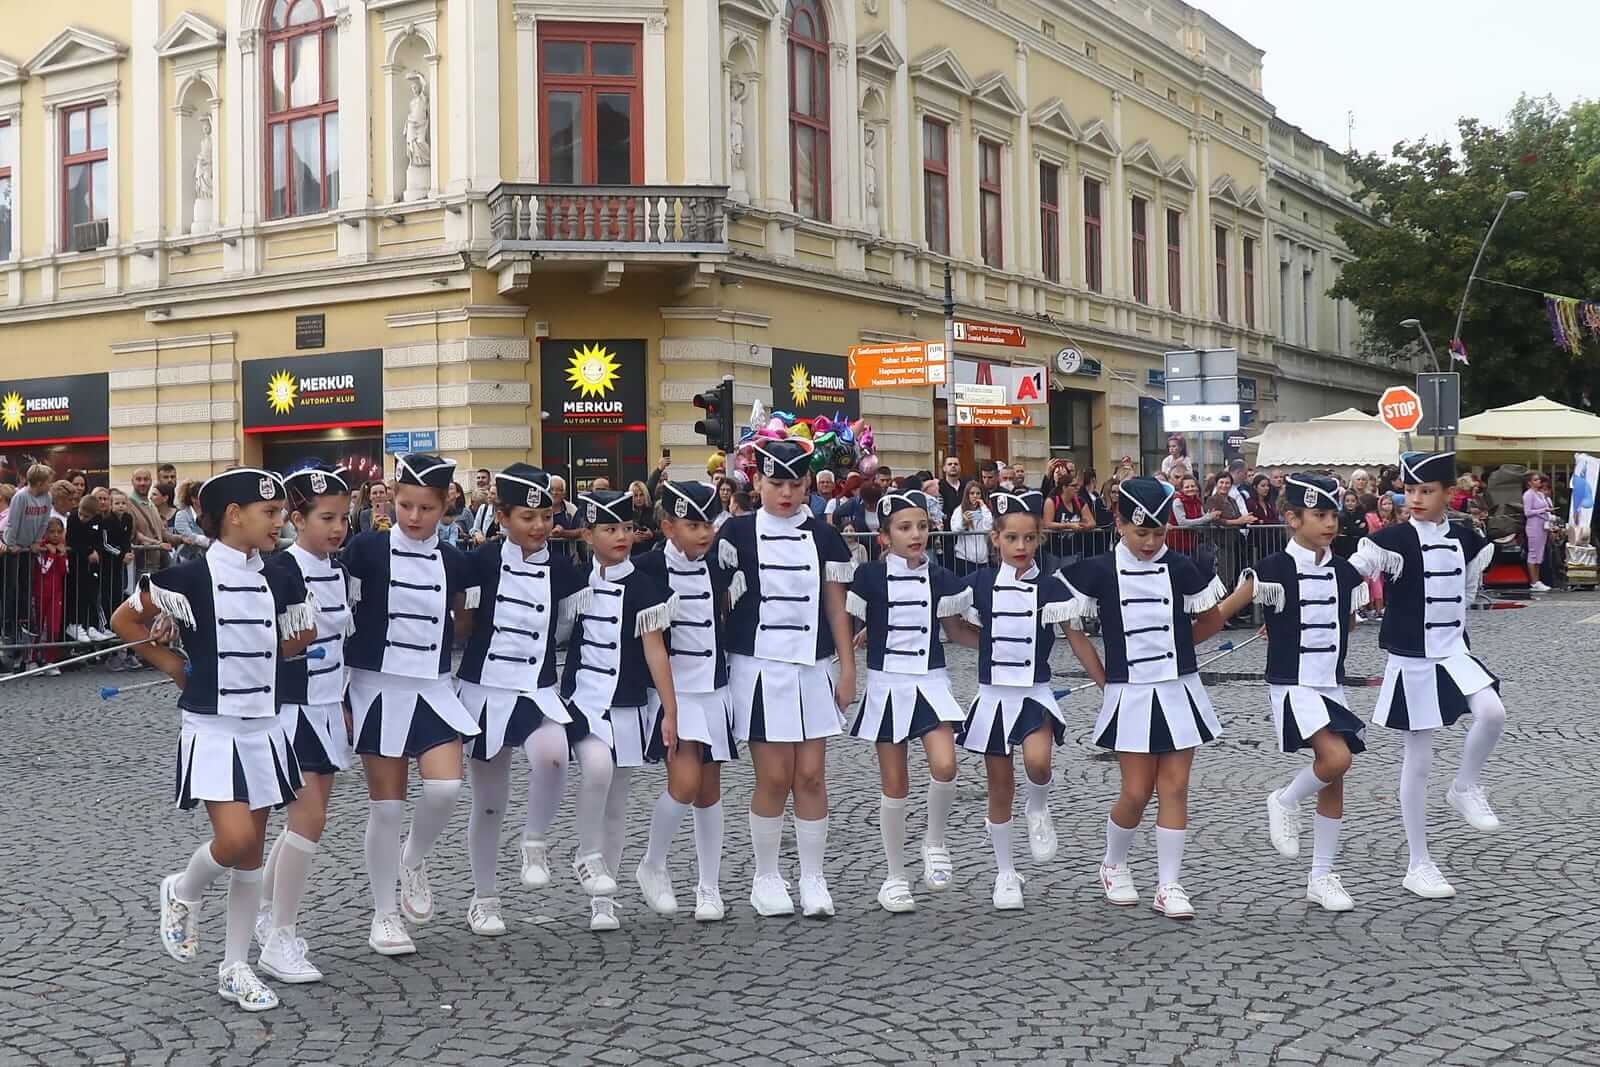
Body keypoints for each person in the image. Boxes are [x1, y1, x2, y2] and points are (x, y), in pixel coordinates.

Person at [112, 468, 316, 1013]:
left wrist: (284, 639)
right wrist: (175, 665)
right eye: (269, 514)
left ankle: (235, 966)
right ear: (234, 516)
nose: (279, 524)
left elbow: (300, 637)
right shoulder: (188, 578)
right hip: (214, 726)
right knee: (234, 843)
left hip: (266, 726)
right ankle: (184, 888)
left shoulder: (282, 575)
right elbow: (124, 621)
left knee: (250, 854)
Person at [1059, 477, 1251, 920]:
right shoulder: (1099, 570)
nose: (1149, 542)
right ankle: (1114, 863)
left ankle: (1169, 884)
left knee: (1176, 787)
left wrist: (1182, 651)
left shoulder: (1182, 567)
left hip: (1178, 688)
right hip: (1130, 693)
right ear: (1120, 525)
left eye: (1158, 533)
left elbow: (1209, 620)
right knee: (1137, 790)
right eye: (1140, 532)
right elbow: (1070, 625)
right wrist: (1103, 678)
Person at [339, 455, 480, 956]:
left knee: (445, 788)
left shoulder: (454, 559)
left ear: (446, 508)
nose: (414, 517)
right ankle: (384, 915)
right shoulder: (365, 550)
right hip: (377, 690)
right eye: (405, 505)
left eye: (426, 508)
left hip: (434, 688)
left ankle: (413, 859)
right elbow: (330, 603)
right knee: (387, 807)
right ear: (392, 500)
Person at [1349, 451, 1506, 899]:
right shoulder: (1392, 539)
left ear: (1448, 493)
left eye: (1426, 491)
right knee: (1418, 760)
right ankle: (1419, 862)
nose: (1415, 499)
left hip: (1453, 651)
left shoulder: (1468, 539)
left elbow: (1468, 594)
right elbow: (1353, 574)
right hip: (1412, 659)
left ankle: (1465, 786)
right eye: (1410, 490)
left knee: (1493, 713)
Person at [711, 439, 855, 918]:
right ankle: (766, 875)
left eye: (796, 484)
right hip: (757, 666)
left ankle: (813, 876)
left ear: (808, 484)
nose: (786, 494)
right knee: (774, 776)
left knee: (811, 776)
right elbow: (716, 603)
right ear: (757, 483)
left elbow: (836, 607)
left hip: (812, 667)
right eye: (776, 484)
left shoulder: (825, 536)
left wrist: (847, 668)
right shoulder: (735, 533)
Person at [454, 465, 587, 936]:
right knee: (488, 804)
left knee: (553, 758)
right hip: (485, 691)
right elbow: (457, 622)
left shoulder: (562, 568)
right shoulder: (481, 561)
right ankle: (484, 898)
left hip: (537, 688)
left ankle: (534, 840)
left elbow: (600, 611)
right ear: (502, 517)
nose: (539, 527)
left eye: (546, 517)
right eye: (527, 517)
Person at [1238, 474, 1370, 911]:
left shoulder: (1345, 570)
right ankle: (1285, 798)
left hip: (1330, 680)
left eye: (1334, 514)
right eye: (1319, 515)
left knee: (1334, 777)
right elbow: (1223, 611)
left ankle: (1322, 876)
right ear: (1292, 518)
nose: (1330, 523)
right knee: (1336, 758)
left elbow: (1345, 623)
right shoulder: (1272, 568)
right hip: (1293, 682)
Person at [556, 489, 678, 932]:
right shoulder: (574, 581)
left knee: (618, 803)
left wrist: (669, 709)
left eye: (626, 527)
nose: (621, 536)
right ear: (588, 535)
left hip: (626, 703)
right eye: (609, 529)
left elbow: (655, 653)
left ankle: (603, 903)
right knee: (596, 769)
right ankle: (587, 855)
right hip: (583, 699)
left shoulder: (645, 587)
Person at [253, 466, 355, 983]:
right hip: (291, 712)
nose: (338, 528)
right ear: (297, 519)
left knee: (304, 824)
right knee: (308, 821)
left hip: (325, 710)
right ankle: (280, 938)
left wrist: (341, 701)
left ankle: (269, 915)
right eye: (326, 518)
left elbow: (339, 646)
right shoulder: (278, 571)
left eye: (344, 516)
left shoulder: (337, 570)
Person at [846, 489, 969, 913]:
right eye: (904, 528)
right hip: (886, 686)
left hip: (931, 682)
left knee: (946, 764)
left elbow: (955, 630)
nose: (915, 534)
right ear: (884, 538)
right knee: (895, 784)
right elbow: (849, 626)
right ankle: (894, 875)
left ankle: (934, 841)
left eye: (921, 525)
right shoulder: (868, 579)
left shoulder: (942, 578)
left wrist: (999, 649)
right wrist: (844, 663)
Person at [954, 487, 1073, 910]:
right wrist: (984, 643)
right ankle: (1005, 872)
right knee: (999, 786)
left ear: (1040, 538)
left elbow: (1076, 638)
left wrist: (1107, 679)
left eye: (1030, 538)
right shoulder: (979, 583)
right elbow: (947, 617)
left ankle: (1038, 808)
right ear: (995, 539)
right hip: (992, 696)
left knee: (1039, 762)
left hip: (1035, 692)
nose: (1021, 546)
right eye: (1012, 538)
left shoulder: (1051, 587)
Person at [632, 481, 740, 922]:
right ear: (667, 527)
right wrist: (667, 706)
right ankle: (653, 863)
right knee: (685, 784)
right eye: (692, 525)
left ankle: (708, 887)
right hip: (671, 693)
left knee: (709, 791)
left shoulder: (719, 567)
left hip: (713, 691)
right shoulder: (649, 570)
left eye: (708, 524)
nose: (704, 533)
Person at [65, 489, 115, 641]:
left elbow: (98, 540)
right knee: (77, 594)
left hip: (91, 566)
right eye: (81, 514)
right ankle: (74, 623)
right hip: (76, 564)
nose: (82, 518)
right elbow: (73, 540)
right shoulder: (73, 518)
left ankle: (91, 625)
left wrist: (96, 552)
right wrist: (88, 551)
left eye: (86, 516)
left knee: (92, 594)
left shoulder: (98, 520)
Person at [29, 516, 69, 671]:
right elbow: (44, 569)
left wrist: (61, 555)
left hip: (56, 594)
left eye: (59, 532)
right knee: (37, 627)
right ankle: (31, 659)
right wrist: (52, 554)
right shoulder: (41, 547)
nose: (56, 535)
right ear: (45, 532)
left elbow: (64, 570)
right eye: (52, 532)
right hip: (39, 593)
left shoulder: (61, 547)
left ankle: (50, 660)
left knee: (53, 626)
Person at [949, 480, 993, 575]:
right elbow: (955, 529)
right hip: (964, 558)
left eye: (978, 493)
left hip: (982, 559)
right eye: (972, 493)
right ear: (967, 495)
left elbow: (988, 527)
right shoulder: (959, 509)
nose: (975, 496)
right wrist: (964, 523)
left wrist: (983, 507)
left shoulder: (984, 510)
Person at [1523, 471, 1553, 592]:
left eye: (1538, 479)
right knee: (1533, 553)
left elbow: (1546, 509)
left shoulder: (1540, 494)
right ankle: (1534, 581)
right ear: (1529, 482)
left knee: (1539, 553)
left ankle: (1538, 579)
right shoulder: (1528, 495)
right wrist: (1542, 510)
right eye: (1535, 480)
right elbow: (1528, 512)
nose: (1538, 481)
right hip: (1533, 526)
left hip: (1543, 525)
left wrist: (1549, 514)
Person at [627, 479, 660, 556]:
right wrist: (631, 538)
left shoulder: (653, 510)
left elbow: (664, 533)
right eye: (635, 495)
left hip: (651, 552)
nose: (638, 498)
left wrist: (652, 535)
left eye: (641, 495)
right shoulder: (626, 513)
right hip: (632, 554)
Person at [1332, 490, 1366, 558]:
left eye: (1353, 501)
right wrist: (1356, 528)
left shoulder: (1361, 514)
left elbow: (1364, 531)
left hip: (1357, 547)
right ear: (1343, 502)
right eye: (1347, 501)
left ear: (1357, 502)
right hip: (1342, 548)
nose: (1350, 503)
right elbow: (1346, 531)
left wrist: (1349, 529)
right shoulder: (1340, 516)